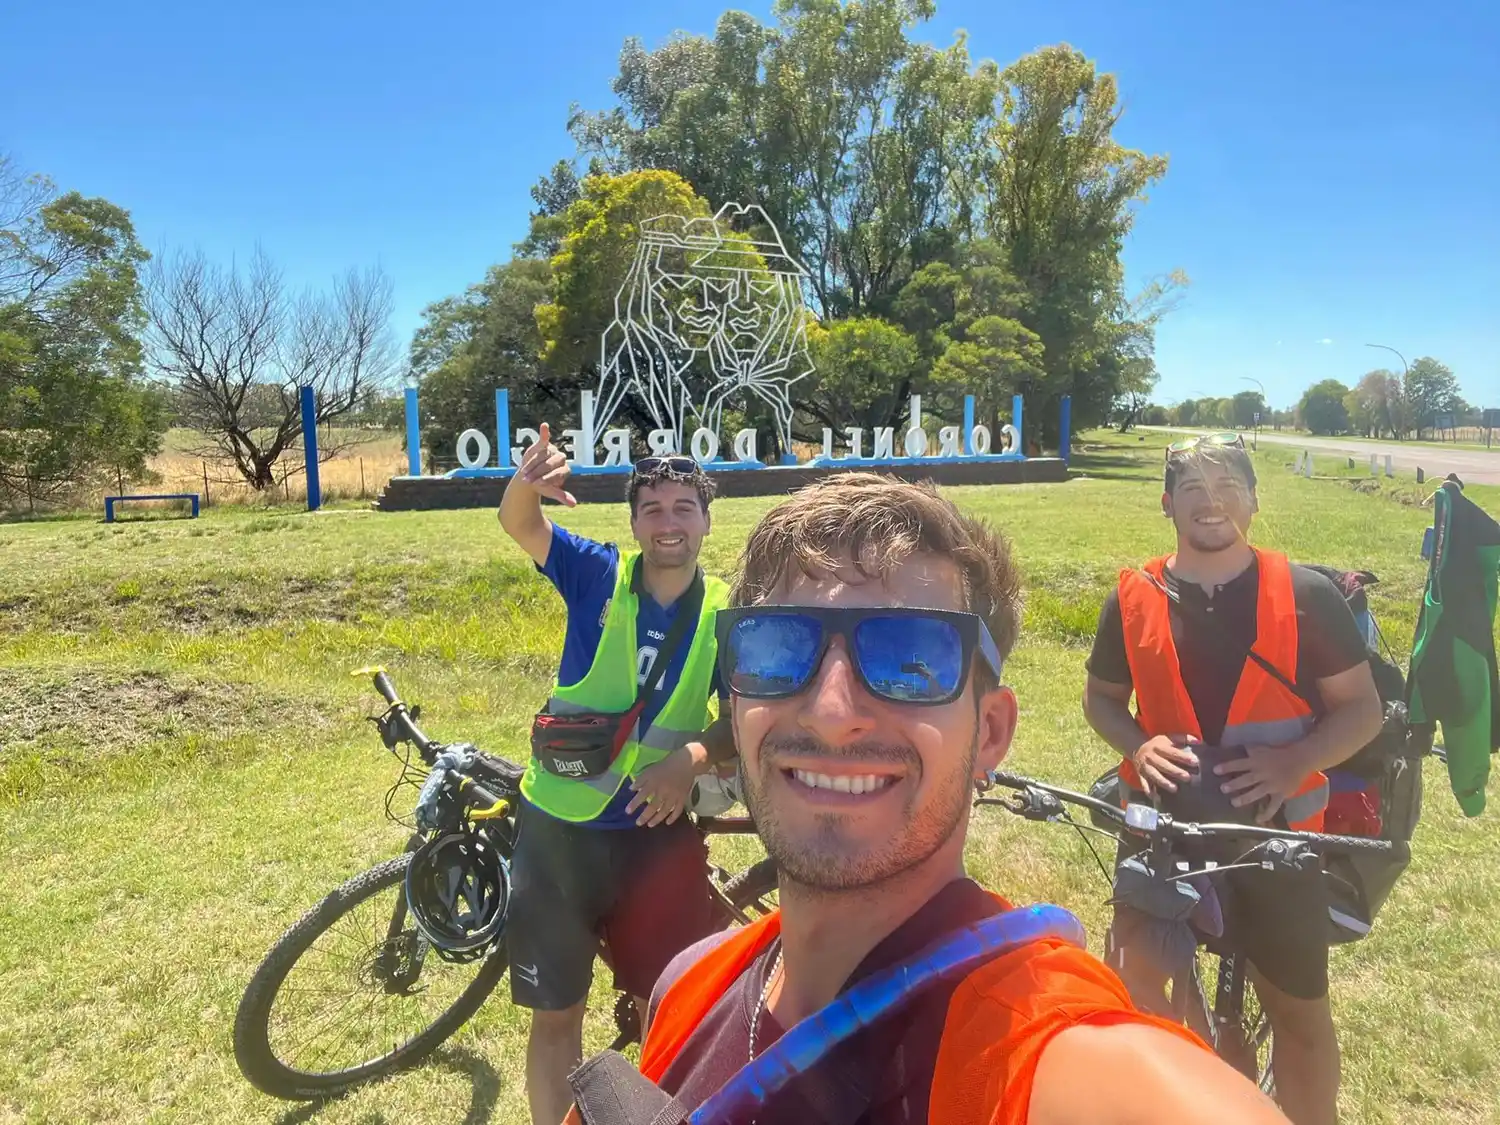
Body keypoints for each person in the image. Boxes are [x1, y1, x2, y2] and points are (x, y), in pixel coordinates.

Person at [612, 473, 1290, 1124]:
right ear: (737, 708)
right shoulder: (689, 987)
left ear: (989, 733)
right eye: (778, 648)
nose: (829, 710)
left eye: (912, 658)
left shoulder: (1047, 1053)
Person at [1083, 434, 1384, 1125]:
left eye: (1227, 489)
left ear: (1253, 500)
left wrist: (1295, 761)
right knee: (1141, 996)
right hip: (1163, 827)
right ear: (1166, 504)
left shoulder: (1306, 594)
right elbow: (1101, 699)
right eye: (1192, 490)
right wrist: (1139, 741)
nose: (1210, 504)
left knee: (1299, 1012)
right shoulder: (1131, 597)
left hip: (1274, 837)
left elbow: (1362, 710)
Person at [499, 425, 738, 1125]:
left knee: (661, 1009)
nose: (669, 522)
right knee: (556, 1019)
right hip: (558, 833)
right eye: (654, 508)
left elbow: (740, 721)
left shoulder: (726, 611)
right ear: (634, 522)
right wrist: (527, 480)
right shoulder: (598, 573)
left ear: (705, 520)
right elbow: (521, 522)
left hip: (654, 838)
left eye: (683, 507)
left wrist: (691, 759)